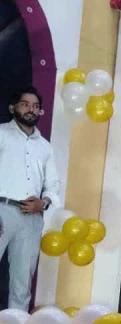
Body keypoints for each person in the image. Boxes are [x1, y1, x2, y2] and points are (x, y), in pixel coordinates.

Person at [0, 86, 60, 311]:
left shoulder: (45, 147)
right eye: (25, 104)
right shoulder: (1, 134)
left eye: (35, 106)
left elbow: (53, 185)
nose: (31, 110)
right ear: (12, 108)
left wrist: (43, 203)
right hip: (2, 210)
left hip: (31, 218)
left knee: (22, 283)